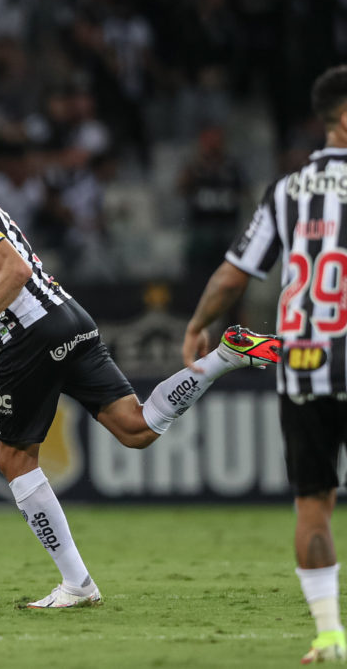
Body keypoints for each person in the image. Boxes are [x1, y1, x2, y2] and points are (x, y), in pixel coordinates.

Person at [0, 114, 280, 608]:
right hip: (67, 318)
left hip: (30, 331)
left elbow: (12, 269)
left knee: (13, 459)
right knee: (137, 427)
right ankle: (225, 356)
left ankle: (78, 584)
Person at [183, 66, 347, 664]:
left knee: (313, 508)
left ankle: (329, 635)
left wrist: (199, 323)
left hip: (302, 367)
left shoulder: (286, 191)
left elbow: (234, 273)